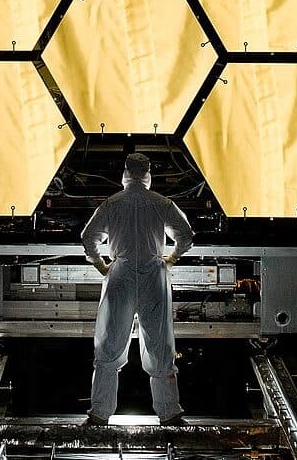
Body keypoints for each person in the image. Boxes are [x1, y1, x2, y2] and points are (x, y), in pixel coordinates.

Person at [80, 153, 195, 426]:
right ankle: (169, 413)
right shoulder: (162, 203)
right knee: (159, 344)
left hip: (120, 274)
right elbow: (186, 235)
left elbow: (88, 237)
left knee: (109, 344)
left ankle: (99, 414)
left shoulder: (111, 204)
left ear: (125, 173)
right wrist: (172, 258)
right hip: (153, 274)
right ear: (148, 173)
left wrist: (101, 264)